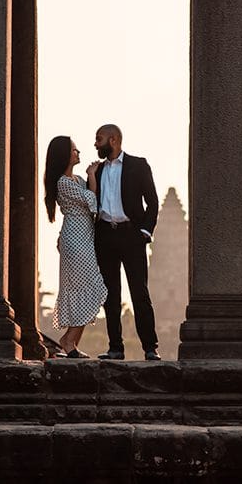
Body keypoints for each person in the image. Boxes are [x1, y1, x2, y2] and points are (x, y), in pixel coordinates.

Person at [90, 124, 160, 360]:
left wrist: (145, 232)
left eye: (98, 139)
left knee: (139, 292)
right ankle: (115, 348)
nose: (95, 144)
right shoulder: (97, 171)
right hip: (106, 236)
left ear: (113, 140)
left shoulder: (138, 165)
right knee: (110, 295)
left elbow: (152, 202)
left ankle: (150, 348)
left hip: (132, 235)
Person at [43, 135, 107, 358]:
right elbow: (92, 201)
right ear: (64, 155)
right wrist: (92, 175)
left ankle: (72, 344)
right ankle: (68, 341)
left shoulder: (77, 180)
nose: (78, 152)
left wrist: (88, 177)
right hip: (76, 241)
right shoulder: (63, 182)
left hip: (84, 238)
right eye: (73, 150)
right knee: (90, 286)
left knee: (89, 288)